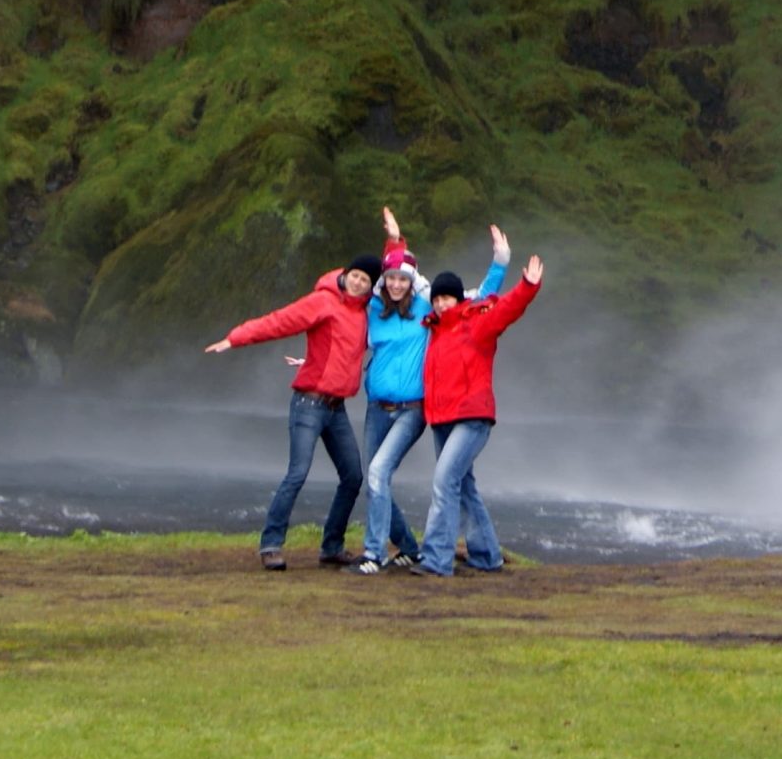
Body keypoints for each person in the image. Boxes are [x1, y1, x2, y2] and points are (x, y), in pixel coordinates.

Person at [204, 253, 382, 571]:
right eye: (355, 275)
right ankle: (271, 545)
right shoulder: (322, 301)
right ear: (346, 273)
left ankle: (331, 547)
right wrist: (235, 338)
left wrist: (396, 240)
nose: (357, 282)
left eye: (365, 280)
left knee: (353, 476)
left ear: (370, 287)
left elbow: (396, 274)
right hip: (309, 403)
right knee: (297, 473)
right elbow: (279, 321)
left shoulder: (364, 313)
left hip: (336, 407)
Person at [356, 209, 508, 574]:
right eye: (390, 278)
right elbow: (347, 317)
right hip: (378, 406)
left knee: (383, 474)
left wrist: (501, 264)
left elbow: (476, 300)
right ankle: (420, 548)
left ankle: (377, 555)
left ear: (412, 282)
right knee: (375, 479)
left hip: (415, 409)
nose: (395, 283)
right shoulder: (374, 308)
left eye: (402, 279)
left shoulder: (429, 308)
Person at [416, 251, 544, 577]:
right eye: (438, 299)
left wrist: (527, 285)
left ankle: (436, 560)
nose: (442, 304)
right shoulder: (433, 331)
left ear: (459, 299)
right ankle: (487, 555)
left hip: (472, 417)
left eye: (448, 298)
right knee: (464, 487)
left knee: (445, 482)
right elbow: (396, 283)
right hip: (441, 420)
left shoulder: (474, 323)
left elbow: (506, 310)